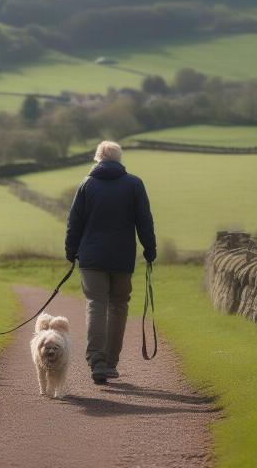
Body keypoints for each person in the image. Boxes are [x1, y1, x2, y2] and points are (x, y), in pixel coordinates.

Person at [65, 140, 156, 384]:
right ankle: (110, 363)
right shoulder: (134, 184)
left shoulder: (86, 184)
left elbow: (75, 222)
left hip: (91, 257)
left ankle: (96, 361)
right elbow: (144, 221)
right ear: (119, 159)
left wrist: (71, 251)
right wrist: (150, 249)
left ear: (97, 159)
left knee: (96, 304)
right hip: (122, 256)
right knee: (118, 306)